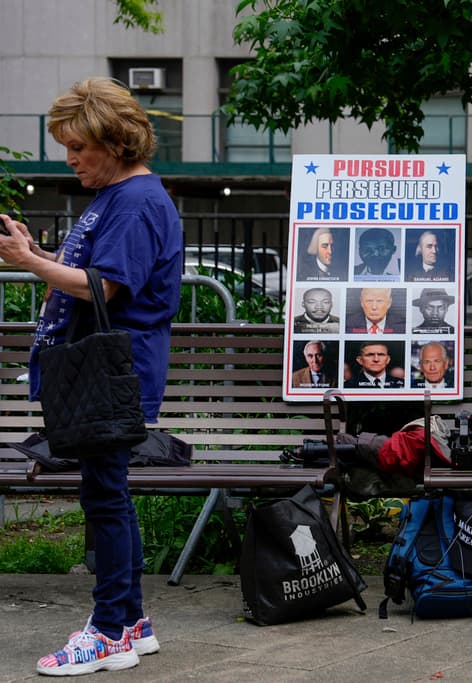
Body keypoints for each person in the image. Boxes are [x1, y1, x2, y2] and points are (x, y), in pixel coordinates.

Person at [0, 78, 182, 676]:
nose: (70, 159)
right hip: (106, 370)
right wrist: (39, 255)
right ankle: (131, 622)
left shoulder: (135, 202)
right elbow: (87, 271)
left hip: (111, 373)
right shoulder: (117, 196)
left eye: (78, 146)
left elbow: (103, 287)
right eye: (66, 147)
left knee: (104, 496)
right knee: (109, 493)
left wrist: (32, 264)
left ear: (116, 142)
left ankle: (107, 633)